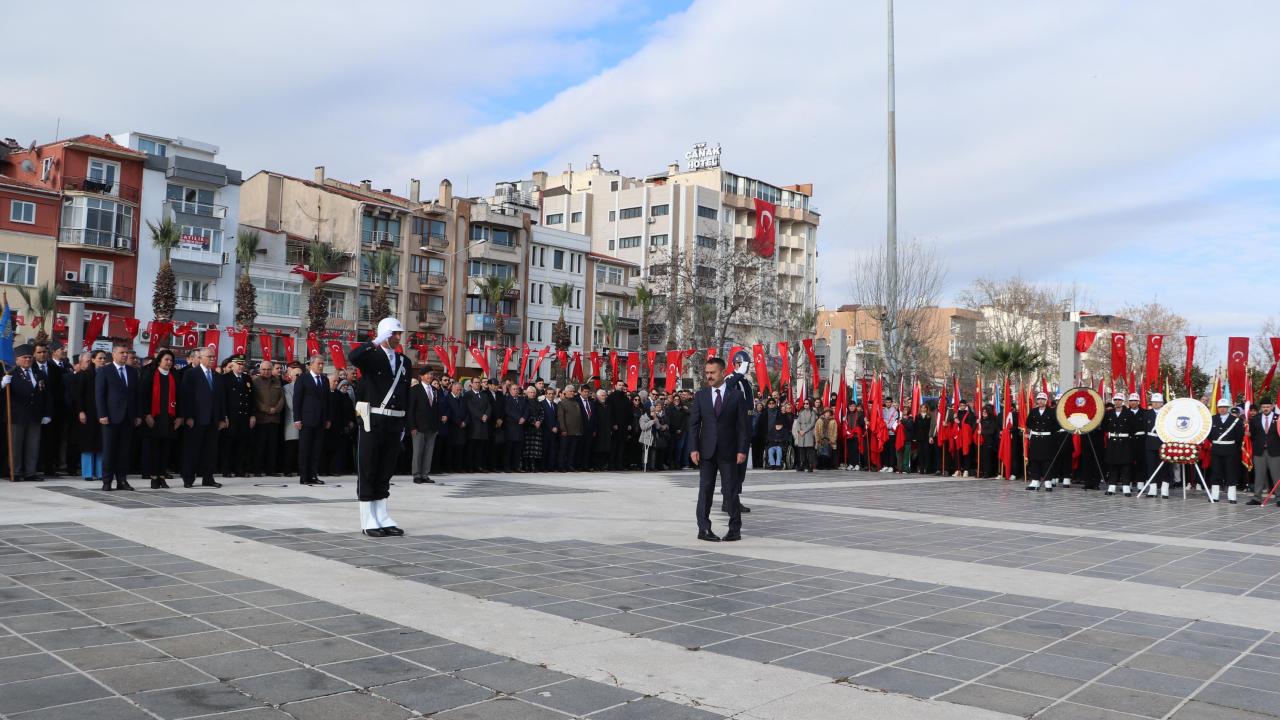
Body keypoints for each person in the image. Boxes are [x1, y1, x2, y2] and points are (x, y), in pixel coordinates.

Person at [348, 317, 413, 537]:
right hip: (373, 420)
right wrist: (375, 341)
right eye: (394, 333)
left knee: (386, 469)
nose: (398, 337)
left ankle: (382, 516)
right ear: (385, 334)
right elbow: (353, 356)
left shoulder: (405, 362)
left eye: (399, 334)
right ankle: (368, 519)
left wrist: (405, 422)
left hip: (395, 421)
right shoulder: (371, 357)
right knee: (368, 468)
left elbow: (405, 395)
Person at [689, 358, 749, 542]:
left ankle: (734, 529)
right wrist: (693, 449)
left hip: (729, 451)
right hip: (706, 452)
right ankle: (703, 529)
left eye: (712, 372)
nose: (709, 376)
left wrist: (742, 450)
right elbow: (693, 425)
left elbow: (743, 427)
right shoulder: (701, 395)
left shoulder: (736, 396)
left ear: (723, 372)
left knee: (730, 490)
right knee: (705, 490)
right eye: (707, 373)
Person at [95, 340, 140, 492]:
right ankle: (106, 481)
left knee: (124, 450)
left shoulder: (132, 371)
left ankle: (122, 480)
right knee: (109, 450)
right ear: (113, 354)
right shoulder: (105, 371)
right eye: (121, 353)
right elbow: (100, 395)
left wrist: (137, 415)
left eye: (126, 353)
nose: (124, 355)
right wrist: (102, 414)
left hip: (128, 417)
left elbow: (135, 395)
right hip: (111, 417)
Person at [178, 348, 226, 489]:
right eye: (209, 356)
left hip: (213, 419)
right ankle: (188, 478)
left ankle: (208, 477)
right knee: (192, 450)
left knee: (210, 450)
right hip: (196, 419)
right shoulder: (191, 374)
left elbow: (221, 399)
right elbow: (186, 397)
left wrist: (222, 418)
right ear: (200, 357)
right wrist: (188, 416)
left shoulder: (217, 376)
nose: (212, 359)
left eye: (213, 356)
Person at [3, 344, 50, 481]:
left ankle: (30, 472)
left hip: (35, 415)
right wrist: (2, 384)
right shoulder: (10, 374)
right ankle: (15, 471)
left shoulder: (38, 373)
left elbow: (46, 395)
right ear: (17, 359)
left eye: (30, 357)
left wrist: (47, 413)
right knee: (15, 445)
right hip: (17, 415)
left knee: (33, 445)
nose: (28, 360)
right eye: (24, 357)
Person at [139, 349, 180, 489]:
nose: (169, 362)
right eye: (166, 360)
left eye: (171, 360)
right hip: (154, 418)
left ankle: (162, 476)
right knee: (154, 449)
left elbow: (181, 397)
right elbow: (142, 396)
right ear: (160, 361)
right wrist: (146, 415)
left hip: (169, 418)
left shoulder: (175, 375)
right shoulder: (150, 374)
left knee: (166, 449)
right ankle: (154, 477)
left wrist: (179, 417)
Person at [293, 355, 331, 486]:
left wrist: (327, 418)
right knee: (305, 449)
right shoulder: (303, 379)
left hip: (320, 420)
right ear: (311, 364)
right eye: (319, 363)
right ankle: (304, 476)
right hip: (306, 419)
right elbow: (297, 400)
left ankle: (313, 474)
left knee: (316, 449)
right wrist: (297, 419)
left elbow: (327, 401)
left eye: (322, 364)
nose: (321, 366)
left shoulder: (325, 380)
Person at [32, 341, 65, 477]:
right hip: (34, 411)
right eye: (39, 352)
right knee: (34, 440)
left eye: (44, 352)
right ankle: (33, 466)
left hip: (52, 411)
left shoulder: (55, 369)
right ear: (34, 354)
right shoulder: (31, 368)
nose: (42, 354)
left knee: (51, 440)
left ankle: (49, 467)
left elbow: (59, 391)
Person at [220, 356, 255, 478]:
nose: (241, 366)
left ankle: (239, 469)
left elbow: (251, 398)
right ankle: (226, 469)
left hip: (244, 417)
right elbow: (222, 399)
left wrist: (252, 415)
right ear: (232, 365)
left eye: (242, 364)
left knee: (242, 445)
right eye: (238, 364)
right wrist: (224, 416)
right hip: (231, 417)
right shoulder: (225, 378)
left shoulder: (247, 378)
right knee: (228, 444)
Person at [251, 360, 284, 477]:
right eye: (264, 369)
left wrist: (276, 408)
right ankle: (257, 470)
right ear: (260, 370)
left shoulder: (277, 381)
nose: (266, 372)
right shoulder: (255, 382)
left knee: (272, 446)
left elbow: (282, 398)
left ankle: (271, 470)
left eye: (268, 369)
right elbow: (255, 399)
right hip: (261, 419)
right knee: (260, 446)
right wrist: (266, 409)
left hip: (275, 419)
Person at [408, 368, 441, 483]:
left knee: (428, 451)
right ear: (421, 376)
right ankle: (417, 475)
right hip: (419, 427)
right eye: (427, 374)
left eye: (431, 374)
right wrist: (412, 426)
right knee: (418, 452)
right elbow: (411, 409)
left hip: (432, 427)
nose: (430, 376)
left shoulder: (434, 390)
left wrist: (437, 426)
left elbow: (436, 409)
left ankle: (425, 474)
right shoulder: (415, 389)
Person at [1208, 398, 1243, 503]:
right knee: (1215, 472)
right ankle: (1215, 496)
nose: (1222, 409)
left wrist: (1233, 447)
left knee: (1230, 472)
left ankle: (1232, 497)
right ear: (1217, 408)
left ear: (1228, 408)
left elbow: (1239, 436)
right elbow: (1209, 435)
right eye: (1220, 407)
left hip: (1230, 450)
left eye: (1224, 407)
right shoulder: (1212, 419)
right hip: (1216, 449)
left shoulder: (1235, 420)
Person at [1100, 393, 1135, 496]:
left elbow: (1133, 428)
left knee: (1125, 466)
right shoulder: (1109, 413)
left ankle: (1126, 488)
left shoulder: (1129, 413)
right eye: (1115, 400)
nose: (1117, 402)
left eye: (1119, 400)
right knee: (1112, 465)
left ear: (1123, 401)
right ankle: (1111, 487)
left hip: (1125, 442)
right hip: (1113, 442)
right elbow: (1104, 426)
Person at [1248, 398, 1280, 506]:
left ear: (1272, 407)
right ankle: (1257, 498)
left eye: (1267, 406)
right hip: (1259, 451)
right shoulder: (1255, 419)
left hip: (1275, 451)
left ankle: (1279, 497)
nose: (1265, 409)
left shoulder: (1278, 418)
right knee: (1259, 475)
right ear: (1261, 408)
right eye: (1263, 407)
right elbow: (1253, 435)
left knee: (1276, 475)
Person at [1025, 392, 1059, 491]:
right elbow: (1028, 423)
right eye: (1039, 399)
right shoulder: (1033, 411)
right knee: (1034, 459)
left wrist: (1048, 431)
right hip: (1035, 438)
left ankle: (1048, 480)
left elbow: (1056, 425)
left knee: (1047, 460)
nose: (1040, 401)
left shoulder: (1051, 412)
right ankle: (1035, 481)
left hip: (1047, 439)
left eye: (1042, 399)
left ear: (1046, 401)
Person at [556, 384, 584, 471]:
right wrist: (563, 429)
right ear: (565, 392)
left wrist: (580, 429)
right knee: (563, 450)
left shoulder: (576, 403)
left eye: (573, 391)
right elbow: (560, 417)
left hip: (576, 431)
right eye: (570, 391)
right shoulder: (562, 403)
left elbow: (579, 417)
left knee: (572, 451)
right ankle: (561, 466)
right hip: (566, 431)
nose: (572, 393)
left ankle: (570, 465)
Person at [503, 382, 530, 472]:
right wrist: (519, 418)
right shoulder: (506, 399)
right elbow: (508, 411)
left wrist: (524, 418)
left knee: (518, 449)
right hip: (511, 427)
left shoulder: (522, 399)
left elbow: (527, 410)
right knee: (509, 449)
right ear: (510, 390)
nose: (516, 391)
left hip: (520, 427)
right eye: (514, 389)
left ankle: (516, 467)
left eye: (517, 389)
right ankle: (507, 467)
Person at [443, 381, 468, 473]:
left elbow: (467, 413)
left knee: (460, 449)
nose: (459, 391)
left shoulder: (462, 399)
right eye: (458, 389)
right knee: (450, 449)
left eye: (460, 390)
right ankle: (449, 467)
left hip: (462, 428)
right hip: (452, 427)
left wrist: (465, 422)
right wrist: (458, 422)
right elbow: (449, 412)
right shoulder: (447, 398)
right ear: (452, 389)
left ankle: (458, 467)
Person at [281, 366, 301, 477]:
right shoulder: (287, 388)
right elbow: (291, 405)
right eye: (297, 375)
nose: (299, 377)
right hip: (291, 422)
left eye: (301, 375)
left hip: (304, 421)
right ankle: (287, 469)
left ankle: (300, 468)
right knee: (291, 447)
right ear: (291, 376)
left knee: (301, 448)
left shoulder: (306, 387)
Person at [521, 385, 544, 472]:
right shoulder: (524, 402)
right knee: (527, 448)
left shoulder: (538, 402)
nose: (533, 394)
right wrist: (533, 422)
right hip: (528, 427)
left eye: (534, 392)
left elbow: (542, 413)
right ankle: (527, 465)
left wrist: (539, 421)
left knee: (536, 449)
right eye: (531, 392)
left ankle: (534, 465)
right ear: (527, 393)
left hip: (537, 428)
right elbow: (525, 414)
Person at [792, 399, 817, 472]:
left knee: (809, 450)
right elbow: (798, 422)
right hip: (801, 433)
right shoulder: (801, 412)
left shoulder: (813, 412)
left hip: (808, 432)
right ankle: (802, 464)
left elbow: (812, 423)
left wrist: (805, 431)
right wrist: (799, 430)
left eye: (807, 403)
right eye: (804, 403)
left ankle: (810, 465)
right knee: (801, 450)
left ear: (810, 404)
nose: (805, 405)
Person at [764, 399, 788, 469]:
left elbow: (785, 437)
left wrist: (779, 440)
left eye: (779, 425)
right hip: (772, 445)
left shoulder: (784, 430)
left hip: (780, 445)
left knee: (779, 450)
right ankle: (772, 464)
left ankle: (778, 464)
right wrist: (774, 440)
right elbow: (769, 437)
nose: (778, 426)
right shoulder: (772, 430)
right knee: (770, 450)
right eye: (777, 425)